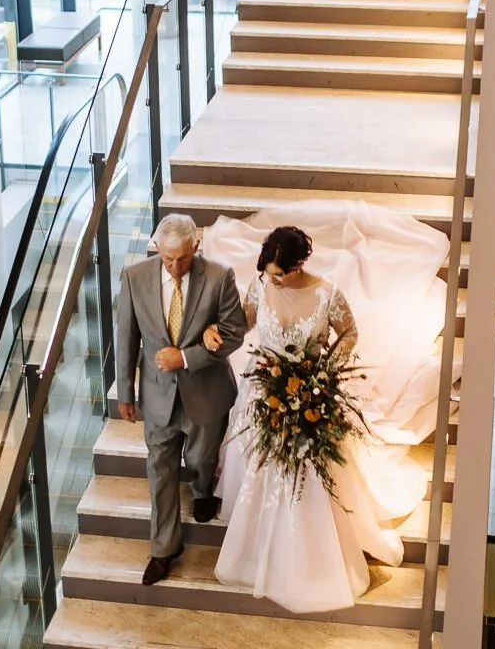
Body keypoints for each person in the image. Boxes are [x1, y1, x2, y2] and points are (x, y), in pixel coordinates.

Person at [207, 224, 420, 614]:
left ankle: (308, 543)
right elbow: (244, 322)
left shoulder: (327, 295)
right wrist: (214, 331)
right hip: (263, 389)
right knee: (259, 465)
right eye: (269, 273)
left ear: (298, 265)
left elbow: (349, 333)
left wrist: (322, 373)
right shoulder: (260, 286)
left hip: (308, 391)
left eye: (279, 274)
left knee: (308, 468)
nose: (273, 280)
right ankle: (258, 541)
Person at [115, 213, 247, 585]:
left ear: (196, 246)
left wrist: (186, 357)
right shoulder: (135, 277)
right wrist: (125, 391)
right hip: (157, 396)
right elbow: (126, 337)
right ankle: (164, 549)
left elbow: (234, 333)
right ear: (156, 246)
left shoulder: (220, 277)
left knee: (202, 458)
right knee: (160, 471)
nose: (175, 266)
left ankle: (203, 489)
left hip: (206, 392)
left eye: (184, 258)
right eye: (168, 258)